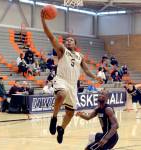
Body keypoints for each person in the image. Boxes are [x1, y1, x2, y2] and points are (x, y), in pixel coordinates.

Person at [41, 10, 102, 144]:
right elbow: (50, 36)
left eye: (71, 40)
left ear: (75, 44)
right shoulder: (62, 50)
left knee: (70, 112)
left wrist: (95, 77)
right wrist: (43, 20)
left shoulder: (80, 56)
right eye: (66, 40)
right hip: (61, 79)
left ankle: (61, 129)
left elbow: (86, 70)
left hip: (73, 85)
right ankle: (54, 118)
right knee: (61, 95)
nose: (68, 41)